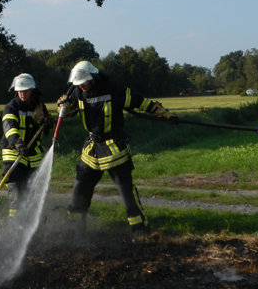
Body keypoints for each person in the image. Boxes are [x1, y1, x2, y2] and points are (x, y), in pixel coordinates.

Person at [57, 60, 176, 236]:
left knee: (126, 193)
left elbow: (140, 102)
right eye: (79, 84)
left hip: (114, 148)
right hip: (91, 149)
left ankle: (140, 231)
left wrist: (165, 114)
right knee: (79, 191)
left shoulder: (113, 89)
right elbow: (66, 111)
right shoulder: (77, 92)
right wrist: (62, 105)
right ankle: (75, 231)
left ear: (94, 78)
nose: (81, 86)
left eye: (84, 83)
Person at [1, 73, 53, 218]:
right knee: (16, 189)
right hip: (13, 152)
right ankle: (15, 223)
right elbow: (9, 126)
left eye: (26, 91)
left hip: (33, 154)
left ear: (32, 90)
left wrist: (48, 123)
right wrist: (17, 142)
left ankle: (30, 220)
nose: (23, 94)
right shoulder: (11, 107)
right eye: (20, 91)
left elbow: (45, 128)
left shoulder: (39, 106)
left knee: (31, 191)